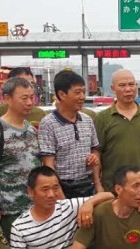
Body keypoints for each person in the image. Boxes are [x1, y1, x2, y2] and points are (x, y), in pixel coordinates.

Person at [0, 77, 41, 238]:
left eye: (31, 97)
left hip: (34, 208)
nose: (29, 102)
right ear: (7, 99)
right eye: (24, 98)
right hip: (8, 210)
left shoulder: (32, 130)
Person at [94, 69, 140, 192]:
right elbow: (96, 152)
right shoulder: (103, 118)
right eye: (122, 85)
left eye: (131, 84)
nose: (128, 89)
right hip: (113, 189)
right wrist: (98, 184)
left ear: (136, 86)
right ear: (113, 88)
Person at [39, 70, 102, 198]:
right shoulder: (48, 124)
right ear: (62, 94)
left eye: (84, 92)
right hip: (64, 187)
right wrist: (58, 193)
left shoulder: (87, 120)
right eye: (77, 92)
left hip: (88, 185)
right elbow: (49, 163)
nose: (82, 97)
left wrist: (97, 183)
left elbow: (95, 150)